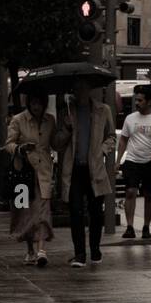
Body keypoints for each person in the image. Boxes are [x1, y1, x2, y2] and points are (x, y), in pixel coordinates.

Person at [57, 79, 116, 267]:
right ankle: (80, 254)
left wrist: (103, 149)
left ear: (90, 89)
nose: (80, 91)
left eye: (83, 87)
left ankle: (95, 249)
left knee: (96, 212)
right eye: (76, 88)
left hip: (94, 168)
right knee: (75, 211)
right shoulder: (67, 112)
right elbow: (57, 143)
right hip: (74, 169)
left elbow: (111, 136)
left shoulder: (103, 110)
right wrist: (66, 128)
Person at [4, 89, 56, 266]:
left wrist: (68, 128)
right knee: (24, 213)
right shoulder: (18, 120)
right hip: (22, 174)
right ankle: (30, 250)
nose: (37, 107)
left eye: (40, 103)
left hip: (43, 173)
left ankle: (42, 251)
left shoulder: (50, 120)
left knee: (43, 212)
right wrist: (20, 148)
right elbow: (8, 144)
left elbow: (55, 142)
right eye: (33, 103)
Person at [116, 85, 151, 239]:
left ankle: (146, 227)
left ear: (149, 101)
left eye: (140, 100)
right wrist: (118, 161)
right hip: (132, 160)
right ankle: (130, 227)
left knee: (149, 195)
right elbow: (123, 141)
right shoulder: (130, 119)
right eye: (136, 100)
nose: (137, 103)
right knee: (130, 191)